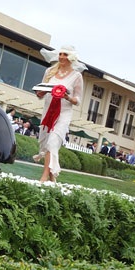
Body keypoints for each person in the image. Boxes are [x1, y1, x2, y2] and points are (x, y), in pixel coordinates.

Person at [33, 45, 85, 182]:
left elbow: (78, 100)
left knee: (53, 141)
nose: (62, 57)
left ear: (71, 58)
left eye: (65, 55)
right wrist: (40, 92)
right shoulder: (49, 71)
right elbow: (41, 93)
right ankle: (52, 179)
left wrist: (67, 97)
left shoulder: (77, 76)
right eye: (60, 54)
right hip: (48, 111)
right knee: (47, 143)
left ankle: (44, 176)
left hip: (63, 113)